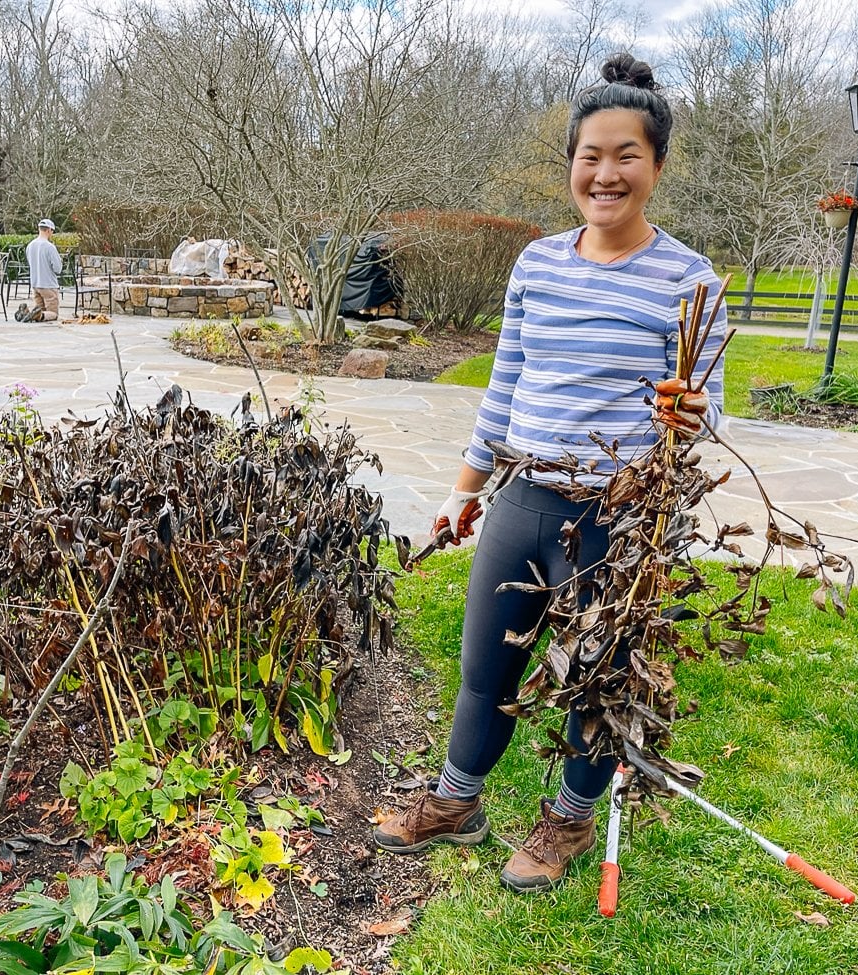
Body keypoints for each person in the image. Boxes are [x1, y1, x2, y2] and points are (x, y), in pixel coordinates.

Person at [372, 53, 726, 893]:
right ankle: (457, 804)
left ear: (657, 167)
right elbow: (504, 386)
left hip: (620, 517)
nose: (606, 174)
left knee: (599, 679)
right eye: (590, 156)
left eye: (626, 156)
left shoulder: (690, 281)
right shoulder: (536, 265)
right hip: (523, 497)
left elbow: (713, 412)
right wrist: (465, 490)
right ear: (570, 163)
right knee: (485, 667)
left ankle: (566, 820)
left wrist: (691, 415)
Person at [16, 219, 63, 322]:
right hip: (49, 285)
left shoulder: (30, 246)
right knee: (53, 313)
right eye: (52, 231)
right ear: (49, 230)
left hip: (35, 284)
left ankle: (26, 312)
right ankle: (36, 315)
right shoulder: (50, 247)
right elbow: (58, 269)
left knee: (40, 310)